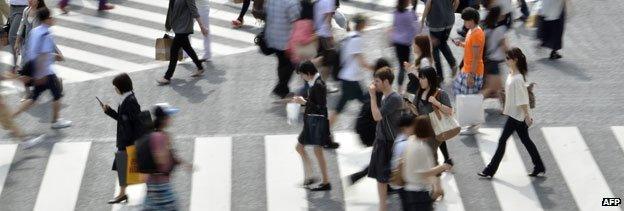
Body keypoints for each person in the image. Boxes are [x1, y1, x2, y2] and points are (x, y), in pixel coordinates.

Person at [478, 47, 545, 178]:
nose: (506, 60)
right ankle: (539, 166)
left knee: (502, 140)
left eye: (508, 58)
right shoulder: (512, 74)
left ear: (515, 60)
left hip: (517, 116)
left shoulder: (517, 78)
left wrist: (527, 116)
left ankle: (489, 170)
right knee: (526, 141)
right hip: (514, 114)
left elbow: (522, 100)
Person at [11, 7, 71, 129]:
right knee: (57, 95)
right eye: (51, 17)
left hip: (36, 69)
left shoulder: (35, 31)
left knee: (34, 97)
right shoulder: (45, 34)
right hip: (45, 71)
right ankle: (55, 121)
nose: (53, 19)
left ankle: (12, 116)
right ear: (46, 19)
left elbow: (33, 51)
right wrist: (54, 58)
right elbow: (43, 54)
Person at [99, 73, 143, 204]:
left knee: (133, 168)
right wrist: (109, 111)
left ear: (121, 87)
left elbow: (134, 122)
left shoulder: (130, 101)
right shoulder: (126, 99)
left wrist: (130, 143)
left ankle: (124, 194)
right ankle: (122, 194)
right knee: (123, 167)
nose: (115, 89)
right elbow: (123, 119)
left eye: (115, 87)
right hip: (126, 141)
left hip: (128, 141)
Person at [413, 66, 453, 199]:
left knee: (429, 157)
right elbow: (417, 112)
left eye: (422, 77)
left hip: (436, 131)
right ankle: (438, 187)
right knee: (431, 158)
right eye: (419, 77)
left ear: (429, 79)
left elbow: (450, 111)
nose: (420, 80)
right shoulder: (419, 93)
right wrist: (410, 108)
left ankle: (436, 189)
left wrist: (436, 103)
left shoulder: (440, 93)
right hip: (424, 131)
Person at [349, 58, 390, 185]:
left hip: (365, 127)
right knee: (385, 154)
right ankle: (361, 176)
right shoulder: (380, 90)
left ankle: (360, 176)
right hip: (370, 130)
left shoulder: (375, 85)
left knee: (384, 155)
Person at [143, 103, 193, 210]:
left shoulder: (157, 134)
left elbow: (170, 156)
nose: (171, 118)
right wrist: (166, 147)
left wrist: (184, 164)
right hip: (159, 186)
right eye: (169, 116)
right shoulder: (159, 136)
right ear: (164, 118)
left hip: (155, 184)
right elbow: (160, 159)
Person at [292, 61, 332, 191]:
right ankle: (312, 175)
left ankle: (325, 181)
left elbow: (320, 106)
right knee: (300, 147)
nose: (302, 77)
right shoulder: (314, 83)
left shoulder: (318, 85)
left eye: (302, 75)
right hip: (311, 121)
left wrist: (304, 102)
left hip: (317, 122)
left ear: (308, 73)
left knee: (317, 151)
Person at [399, 116, 452, 211]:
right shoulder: (422, 148)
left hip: (409, 190)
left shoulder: (410, 140)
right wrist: (442, 167)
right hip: (420, 192)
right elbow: (425, 172)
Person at [368, 67, 402, 211]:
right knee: (381, 177)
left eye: (377, 81)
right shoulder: (385, 95)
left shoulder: (393, 98)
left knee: (388, 177)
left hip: (390, 143)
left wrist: (372, 96)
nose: (374, 84)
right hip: (382, 140)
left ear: (386, 82)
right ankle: (383, 207)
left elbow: (377, 116)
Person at [328, 14, 372, 127]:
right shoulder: (356, 39)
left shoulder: (349, 36)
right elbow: (361, 62)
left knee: (341, 106)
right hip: (351, 79)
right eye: (365, 24)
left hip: (348, 77)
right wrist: (376, 68)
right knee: (368, 103)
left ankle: (324, 132)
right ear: (361, 25)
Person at [157, 0, 209, 85]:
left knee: (174, 50)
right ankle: (200, 67)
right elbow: (172, 7)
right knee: (187, 47)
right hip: (178, 25)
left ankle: (167, 76)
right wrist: (169, 24)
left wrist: (202, 26)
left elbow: (194, 10)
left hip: (184, 26)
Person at [452, 8, 485, 135]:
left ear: (472, 20)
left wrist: (471, 76)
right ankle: (470, 121)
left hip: (473, 71)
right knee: (459, 91)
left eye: (466, 21)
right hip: (467, 69)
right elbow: (470, 46)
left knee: (469, 97)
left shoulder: (477, 34)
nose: (464, 23)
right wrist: (461, 44)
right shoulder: (472, 31)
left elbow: (477, 57)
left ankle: (473, 124)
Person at [14, 0, 50, 101]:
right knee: (23, 69)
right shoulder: (26, 10)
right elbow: (22, 26)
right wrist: (17, 41)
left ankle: (53, 82)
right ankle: (28, 93)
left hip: (38, 46)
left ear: (38, 1)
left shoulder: (40, 13)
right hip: (26, 44)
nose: (29, 1)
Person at [264, 0, 300, 98]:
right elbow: (296, 20)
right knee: (292, 63)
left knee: (282, 62)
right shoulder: (292, 2)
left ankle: (283, 90)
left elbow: (266, 12)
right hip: (286, 39)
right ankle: (280, 88)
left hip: (272, 36)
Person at [422, 0, 459, 82]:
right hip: (449, 21)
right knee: (442, 43)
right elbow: (457, 2)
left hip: (436, 22)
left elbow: (428, 4)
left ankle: (440, 76)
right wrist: (449, 12)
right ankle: (452, 64)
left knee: (435, 48)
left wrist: (422, 21)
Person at [389, 0, 419, 93]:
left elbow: (394, 25)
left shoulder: (395, 13)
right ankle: (411, 86)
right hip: (406, 43)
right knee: (406, 66)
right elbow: (416, 21)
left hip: (397, 42)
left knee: (402, 65)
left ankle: (400, 88)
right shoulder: (410, 14)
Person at [482, 6, 508, 99]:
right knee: (491, 89)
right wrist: (509, 57)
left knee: (498, 88)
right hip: (494, 61)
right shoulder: (501, 29)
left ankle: (506, 108)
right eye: (501, 13)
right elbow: (504, 46)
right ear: (498, 16)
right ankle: (473, 106)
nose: (503, 14)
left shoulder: (487, 29)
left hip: (489, 60)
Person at [313, 0, 337, 93]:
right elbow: (328, 21)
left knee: (322, 60)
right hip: (324, 35)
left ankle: (316, 82)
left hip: (316, 33)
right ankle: (322, 85)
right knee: (327, 62)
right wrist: (331, 37)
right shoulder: (329, 1)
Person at [8, 0, 28, 73]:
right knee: (20, 36)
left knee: (12, 35)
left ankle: (16, 64)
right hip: (12, 7)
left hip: (23, 8)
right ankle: (20, 63)